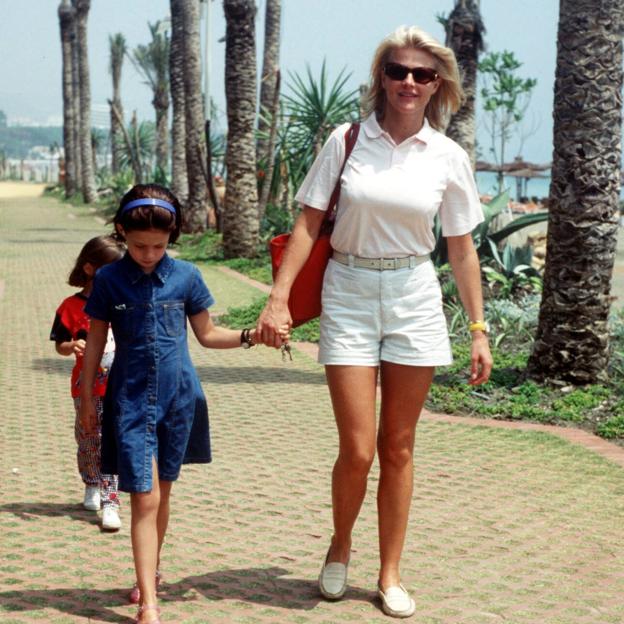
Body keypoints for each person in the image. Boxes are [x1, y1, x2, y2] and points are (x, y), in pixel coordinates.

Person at [257, 25, 493, 619]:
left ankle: (389, 572)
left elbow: (461, 250)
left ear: (437, 84)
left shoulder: (447, 155)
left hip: (414, 291)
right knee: (359, 449)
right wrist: (277, 299)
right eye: (398, 71)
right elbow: (309, 224)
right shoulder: (346, 139)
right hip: (350, 290)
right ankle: (340, 545)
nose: (408, 82)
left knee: (400, 446)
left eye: (422, 74)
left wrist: (478, 329)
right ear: (380, 78)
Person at [78, 184, 286, 624]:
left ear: (172, 237)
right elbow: (96, 338)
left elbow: (209, 335)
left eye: (159, 245)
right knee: (144, 498)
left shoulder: (187, 276)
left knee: (163, 494)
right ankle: (150, 604)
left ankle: (149, 573)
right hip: (129, 401)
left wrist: (253, 336)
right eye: (139, 246)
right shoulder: (109, 281)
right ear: (121, 232)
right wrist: (86, 401)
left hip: (179, 399)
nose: (149, 254)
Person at [50, 235, 125, 530]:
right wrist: (70, 347)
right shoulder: (69, 306)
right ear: (91, 268)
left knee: (114, 443)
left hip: (121, 387)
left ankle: (110, 500)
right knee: (89, 440)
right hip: (85, 389)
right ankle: (91, 484)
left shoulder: (123, 303)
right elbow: (59, 343)